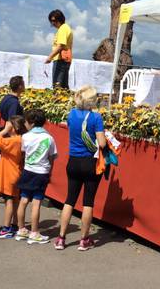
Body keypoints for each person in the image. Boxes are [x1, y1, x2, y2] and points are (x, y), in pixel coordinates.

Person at [54, 85, 106, 251]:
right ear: (92, 100)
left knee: (70, 199)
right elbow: (102, 143)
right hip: (90, 162)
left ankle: (61, 238)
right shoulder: (96, 117)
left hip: (73, 161)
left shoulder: (72, 114)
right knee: (88, 202)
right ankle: (84, 240)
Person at [16, 109, 57, 244]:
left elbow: (23, 152)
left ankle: (21, 229)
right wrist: (50, 171)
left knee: (23, 200)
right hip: (42, 172)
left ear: (32, 123)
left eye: (26, 122)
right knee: (37, 202)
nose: (25, 124)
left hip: (28, 170)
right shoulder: (49, 138)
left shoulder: (25, 136)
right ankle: (34, 232)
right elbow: (52, 157)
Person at [0, 115, 26, 239]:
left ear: (13, 127)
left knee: (9, 201)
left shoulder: (12, 141)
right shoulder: (21, 139)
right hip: (17, 173)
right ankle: (14, 225)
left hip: (9, 174)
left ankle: (6, 228)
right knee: (15, 200)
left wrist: (5, 130)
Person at [45, 9, 73, 89]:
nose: (53, 23)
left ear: (60, 19)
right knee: (63, 87)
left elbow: (61, 45)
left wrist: (50, 57)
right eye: (51, 21)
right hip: (65, 60)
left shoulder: (63, 29)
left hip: (60, 60)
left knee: (57, 85)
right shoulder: (65, 28)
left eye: (54, 20)